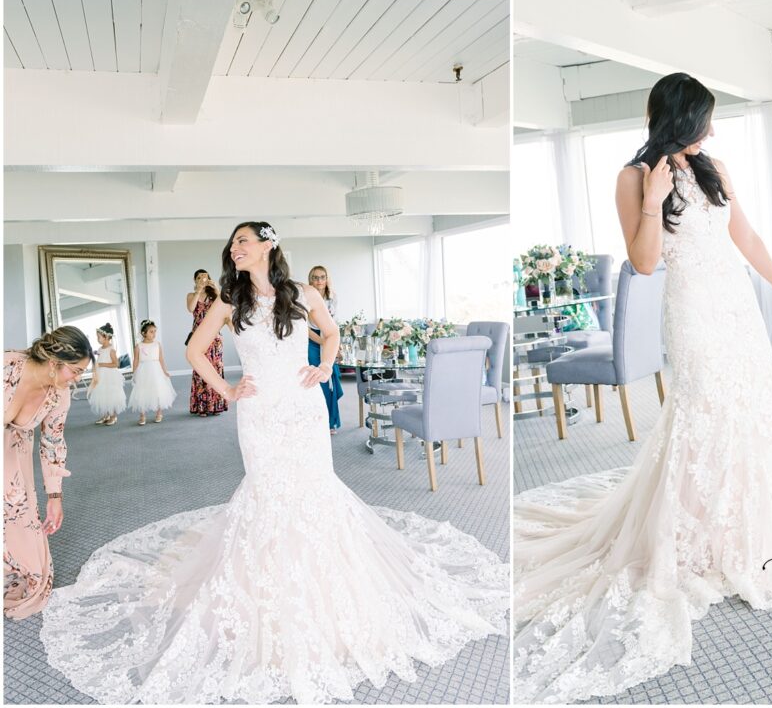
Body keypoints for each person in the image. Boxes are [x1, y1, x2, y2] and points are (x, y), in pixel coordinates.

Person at [39, 221, 508, 704]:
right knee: (267, 492)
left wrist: (325, 366)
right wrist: (227, 389)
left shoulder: (303, 292)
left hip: (303, 407)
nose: (235, 248)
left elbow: (331, 333)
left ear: (268, 245)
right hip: (260, 412)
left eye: (243, 241)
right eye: (233, 243)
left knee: (314, 488)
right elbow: (193, 350)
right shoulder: (229, 298)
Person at [512, 73, 772, 703]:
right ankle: (698, 530)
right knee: (704, 411)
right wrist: (651, 197)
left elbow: (743, 236)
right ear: (680, 116)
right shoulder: (631, 176)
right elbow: (644, 263)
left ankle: (752, 519)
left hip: (736, 305)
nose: (714, 130)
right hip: (694, 311)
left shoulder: (714, 165)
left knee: (753, 408)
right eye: (706, 118)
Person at [4, 327, 92, 619]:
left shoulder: (59, 395)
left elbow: (53, 442)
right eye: (76, 370)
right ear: (55, 362)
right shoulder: (7, 365)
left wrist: (55, 496)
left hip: (13, 456)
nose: (78, 378)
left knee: (21, 530)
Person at [186, 269, 228, 417]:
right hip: (198, 336)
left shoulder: (214, 295)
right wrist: (198, 290)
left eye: (205, 277)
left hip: (214, 337)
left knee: (215, 368)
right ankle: (202, 406)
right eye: (199, 277)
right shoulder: (191, 295)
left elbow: (223, 304)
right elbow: (191, 308)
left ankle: (216, 404)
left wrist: (215, 287)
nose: (202, 279)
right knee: (200, 369)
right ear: (195, 280)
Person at [307, 265, 343, 434]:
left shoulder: (332, 297)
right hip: (312, 340)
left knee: (331, 380)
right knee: (318, 381)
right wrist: (323, 341)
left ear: (327, 279)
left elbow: (333, 325)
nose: (319, 280)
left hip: (328, 337)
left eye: (322, 277)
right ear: (310, 279)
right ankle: (317, 421)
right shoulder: (305, 298)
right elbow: (304, 328)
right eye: (315, 277)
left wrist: (335, 344)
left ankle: (331, 422)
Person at [128, 319, 177, 425]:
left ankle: (159, 413)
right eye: (151, 331)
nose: (154, 334)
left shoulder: (157, 344)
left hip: (156, 370)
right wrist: (134, 373)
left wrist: (165, 371)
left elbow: (161, 359)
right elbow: (136, 360)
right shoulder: (139, 346)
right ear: (143, 333)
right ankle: (142, 415)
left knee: (158, 390)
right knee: (142, 391)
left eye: (155, 331)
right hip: (143, 370)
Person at [86, 323, 125, 426]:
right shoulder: (100, 349)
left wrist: (101, 364)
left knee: (110, 395)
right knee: (102, 394)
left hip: (109, 376)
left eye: (99, 337)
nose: (97, 339)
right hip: (101, 375)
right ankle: (106, 415)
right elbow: (99, 359)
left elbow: (116, 364)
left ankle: (113, 416)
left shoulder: (111, 350)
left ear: (107, 337)